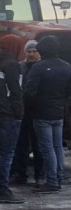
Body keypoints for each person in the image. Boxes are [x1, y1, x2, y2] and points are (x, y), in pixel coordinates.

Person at [24, 35, 71, 193]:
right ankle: (58, 177)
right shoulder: (67, 67)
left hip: (41, 113)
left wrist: (28, 107)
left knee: (47, 148)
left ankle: (51, 181)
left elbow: (30, 92)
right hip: (59, 112)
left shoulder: (38, 67)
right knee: (58, 147)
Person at [0, 34, 24, 204]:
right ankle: (1, 189)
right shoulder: (12, 65)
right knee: (7, 154)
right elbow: (16, 92)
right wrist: (19, 113)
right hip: (8, 115)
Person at [11, 40, 43, 186]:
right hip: (22, 112)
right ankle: (20, 174)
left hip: (38, 112)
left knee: (38, 146)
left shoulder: (42, 68)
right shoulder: (20, 67)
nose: (31, 54)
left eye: (34, 51)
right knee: (21, 144)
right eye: (28, 51)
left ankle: (39, 175)